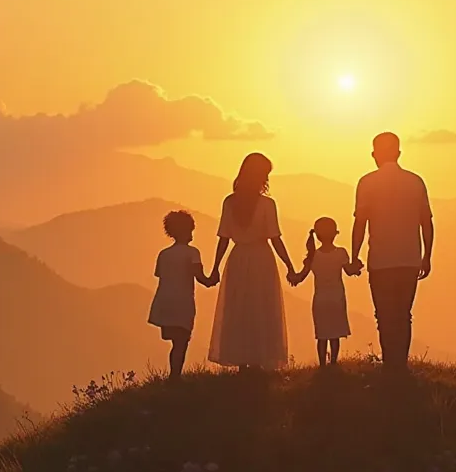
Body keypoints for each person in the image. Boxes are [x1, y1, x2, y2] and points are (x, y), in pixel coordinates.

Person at [351, 132, 434, 370]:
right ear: (398, 153)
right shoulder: (415, 181)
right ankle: (401, 364)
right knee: (404, 315)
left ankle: (390, 364)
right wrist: (426, 256)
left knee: (384, 316)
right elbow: (426, 222)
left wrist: (355, 256)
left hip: (380, 260)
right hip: (409, 259)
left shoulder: (367, 182)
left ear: (374, 154)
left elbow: (360, 222)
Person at [208, 153, 294, 371]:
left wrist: (216, 268)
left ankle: (242, 360)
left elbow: (224, 238)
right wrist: (290, 266)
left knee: (239, 309)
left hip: (237, 259)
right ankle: (258, 358)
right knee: (261, 308)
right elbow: (275, 238)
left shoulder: (230, 202)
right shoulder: (267, 204)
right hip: (261, 259)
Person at [148, 210, 213, 381]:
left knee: (176, 342)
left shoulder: (164, 254)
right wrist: (213, 278)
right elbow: (201, 278)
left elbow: (161, 275)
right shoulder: (193, 253)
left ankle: (174, 376)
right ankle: (175, 377)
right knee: (182, 342)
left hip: (164, 301)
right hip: (183, 302)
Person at [290, 217, 361, 366]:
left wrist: (292, 275)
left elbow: (300, 277)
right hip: (337, 299)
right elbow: (349, 271)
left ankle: (322, 364)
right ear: (335, 234)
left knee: (322, 336)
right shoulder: (341, 253)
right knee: (334, 336)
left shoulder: (313, 256)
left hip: (320, 300)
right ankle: (333, 363)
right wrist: (358, 267)